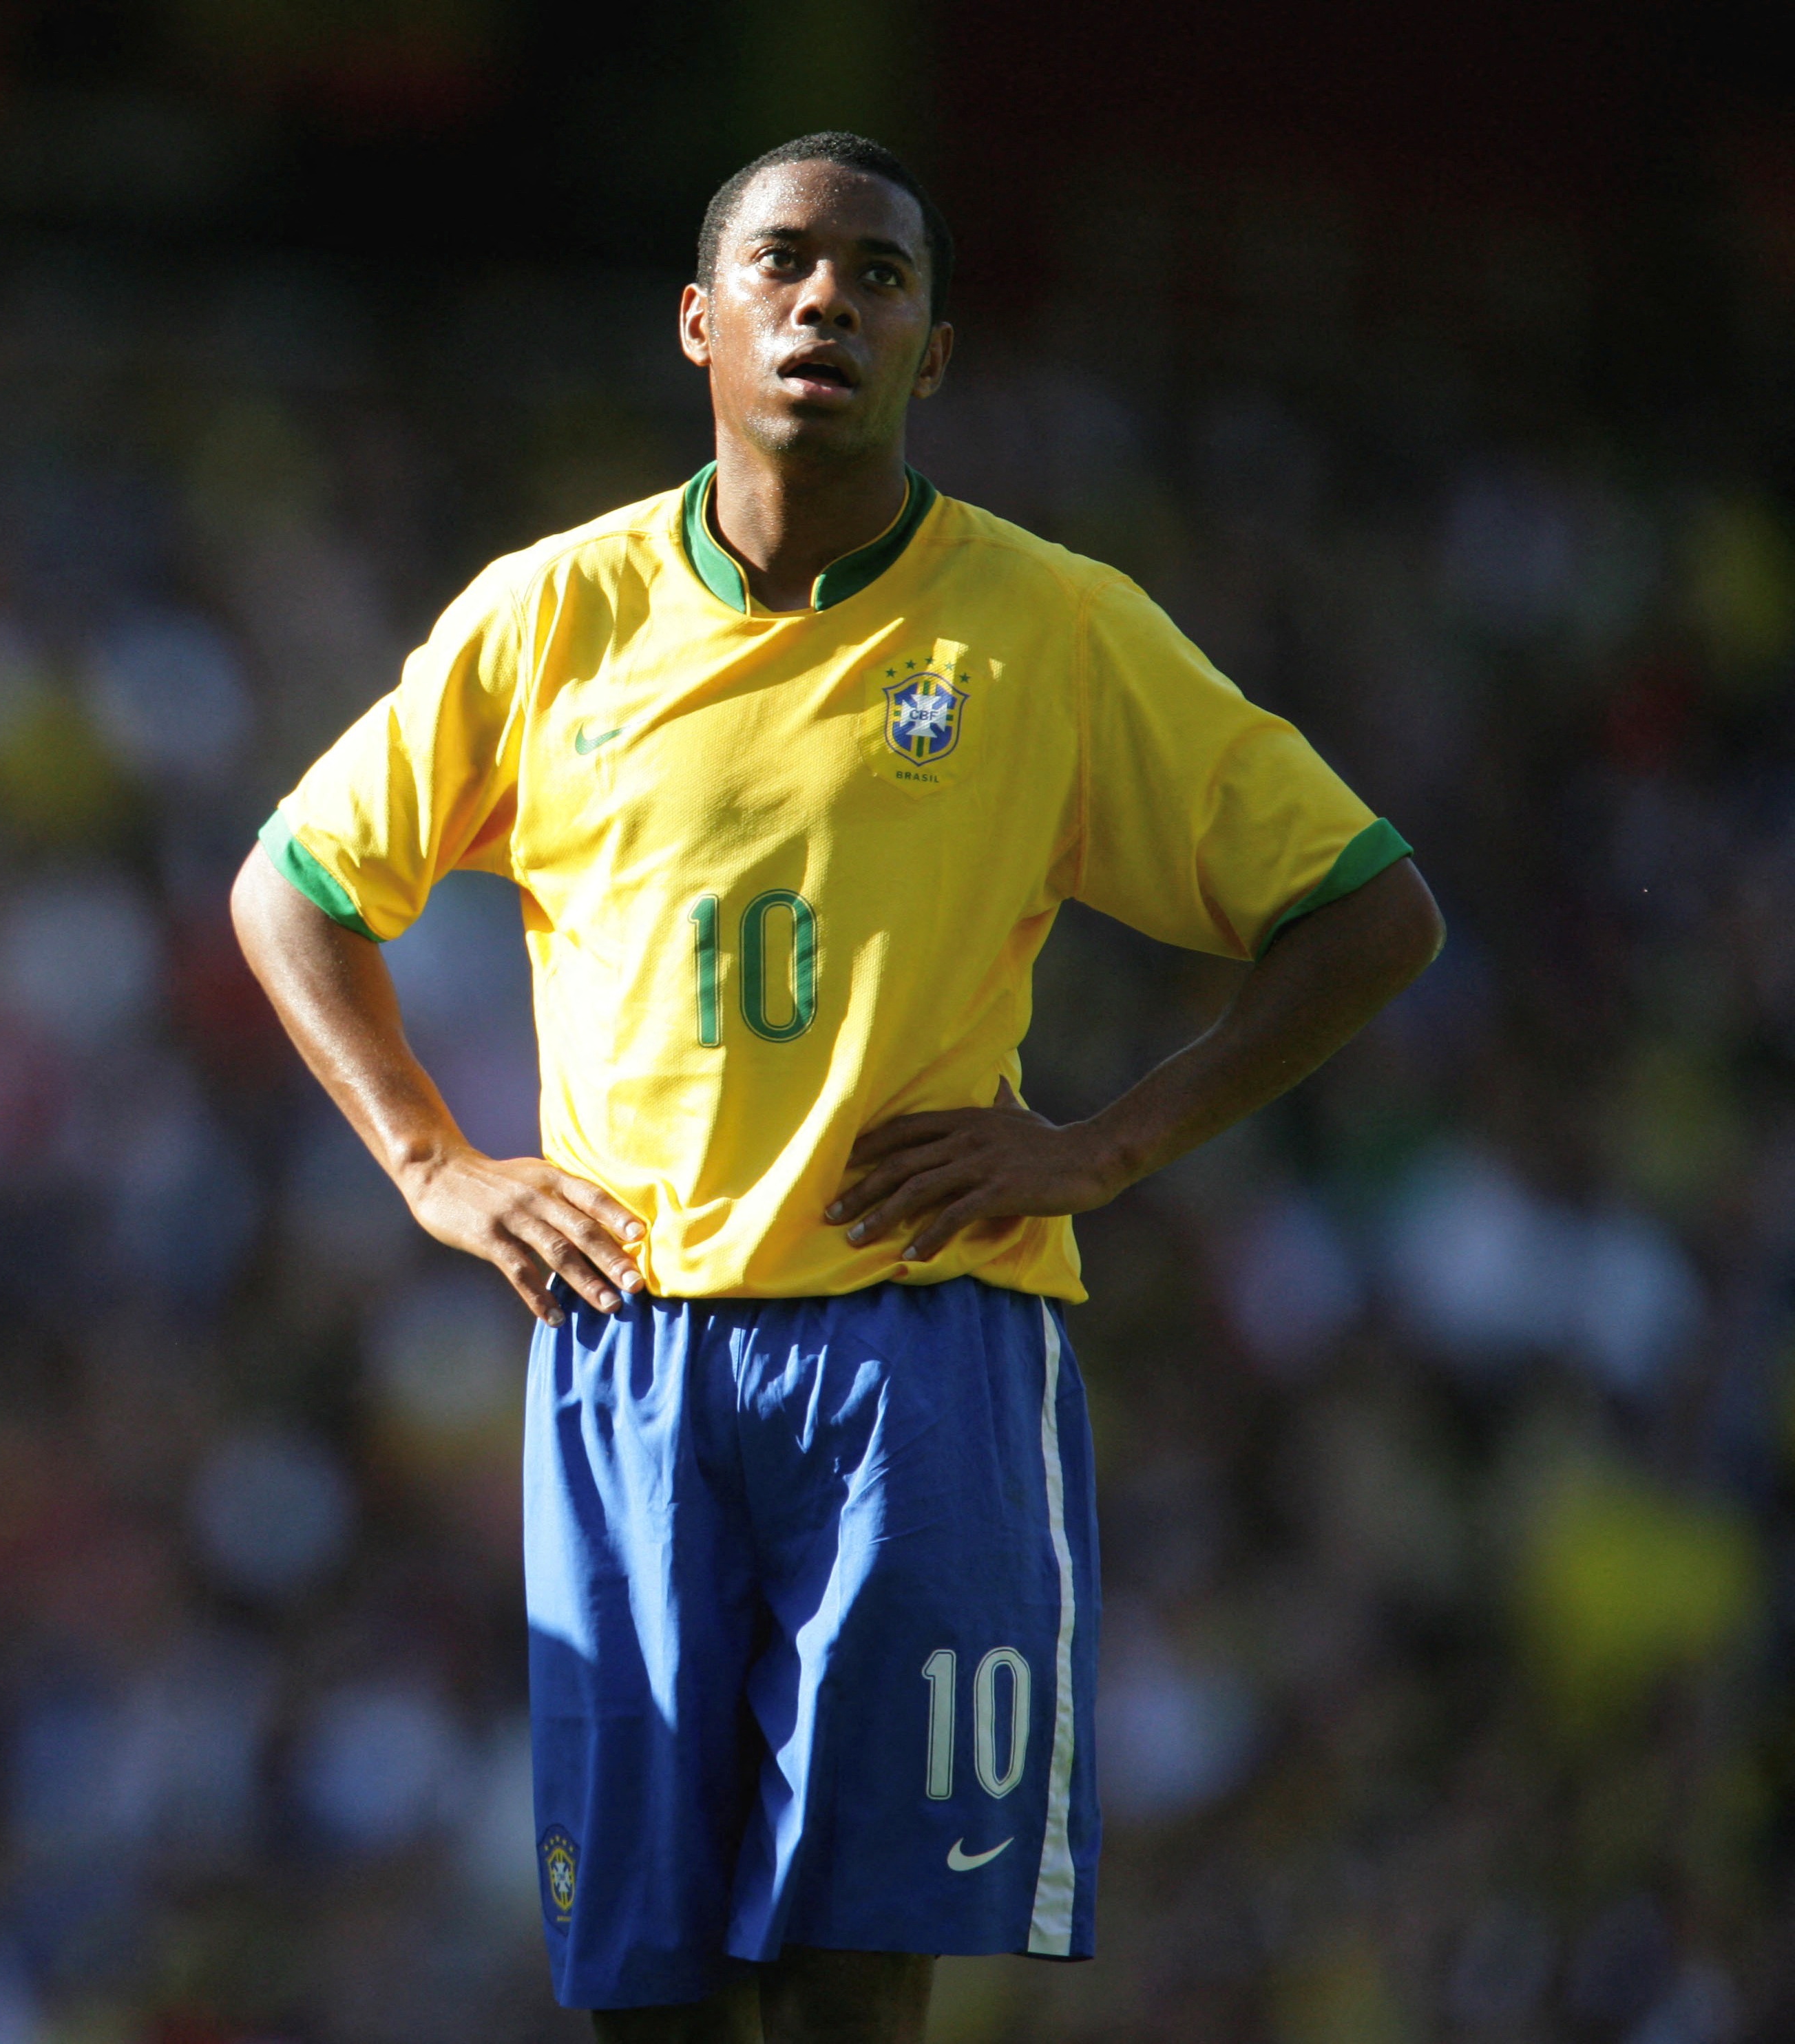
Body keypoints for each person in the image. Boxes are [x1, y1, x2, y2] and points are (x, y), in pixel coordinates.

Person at [231, 132, 1445, 2044]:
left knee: (859, 1970)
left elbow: (1369, 911)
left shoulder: (1047, 624)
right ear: (698, 325)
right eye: (782, 267)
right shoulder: (554, 617)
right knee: (648, 1981)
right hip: (633, 1338)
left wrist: (1105, 1144)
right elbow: (292, 889)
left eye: (876, 278)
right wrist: (431, 1164)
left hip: (926, 1345)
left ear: (933, 351)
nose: (825, 304)